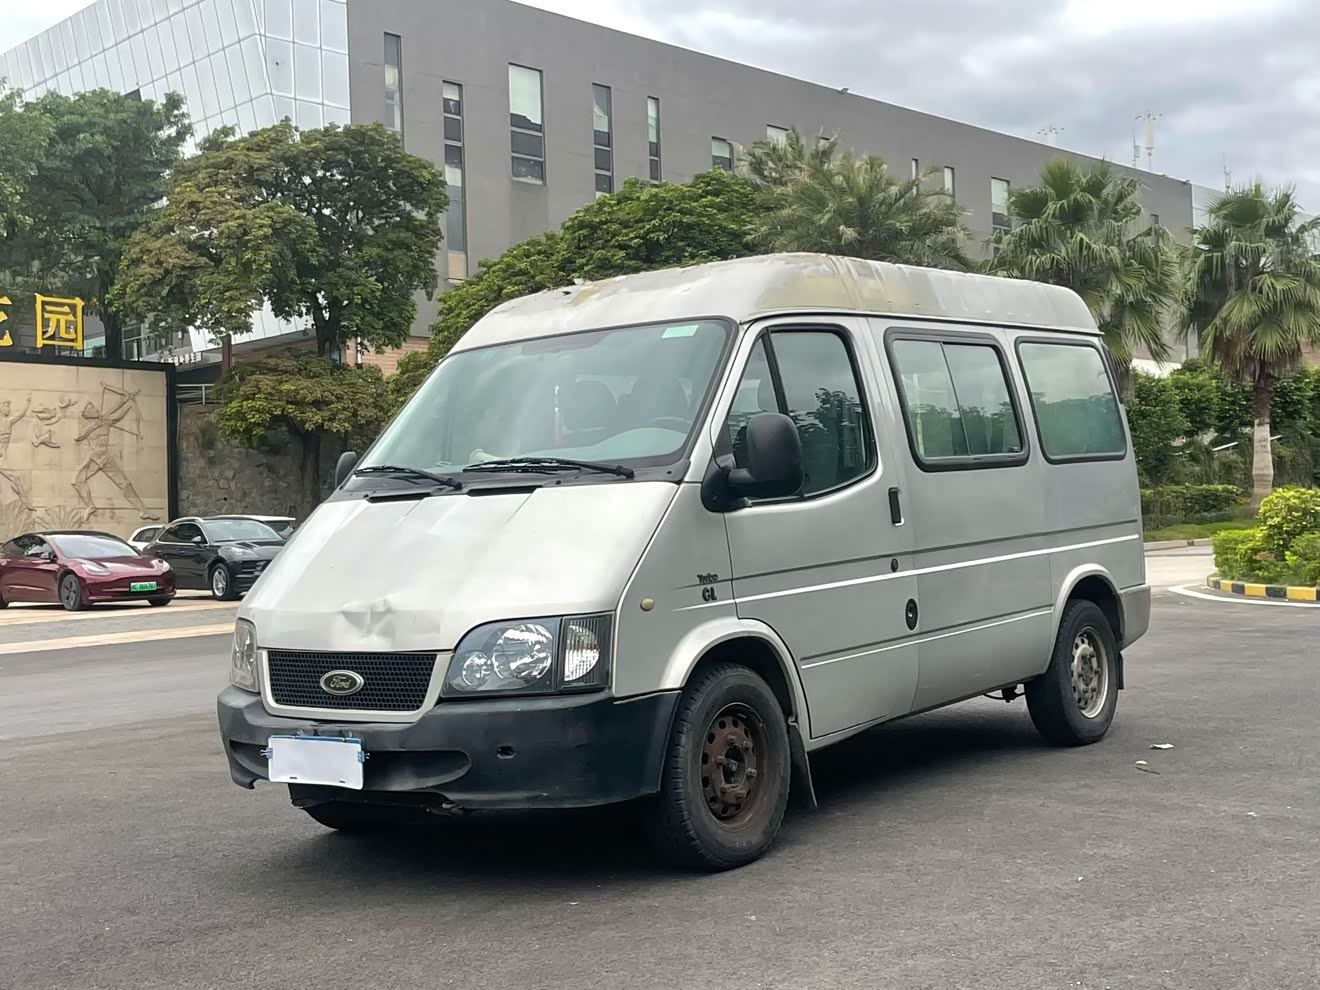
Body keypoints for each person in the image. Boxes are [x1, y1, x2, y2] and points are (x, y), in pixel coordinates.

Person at [72, 392, 157, 520]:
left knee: (125, 483)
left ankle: (143, 510)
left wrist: (129, 403)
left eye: (95, 407)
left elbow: (119, 414)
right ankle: (90, 505)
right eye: (92, 408)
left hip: (105, 457)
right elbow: (78, 437)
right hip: (94, 458)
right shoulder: (87, 426)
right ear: (88, 414)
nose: (96, 409)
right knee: (77, 480)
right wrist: (95, 425)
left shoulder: (106, 421)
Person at [0, 397, 33, 509]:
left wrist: (27, 402)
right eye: (6, 405)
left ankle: (24, 501)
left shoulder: (8, 421)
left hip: (2, 458)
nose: (9, 409)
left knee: (16, 478)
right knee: (16, 478)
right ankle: (25, 501)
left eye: (9, 406)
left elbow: (20, 414)